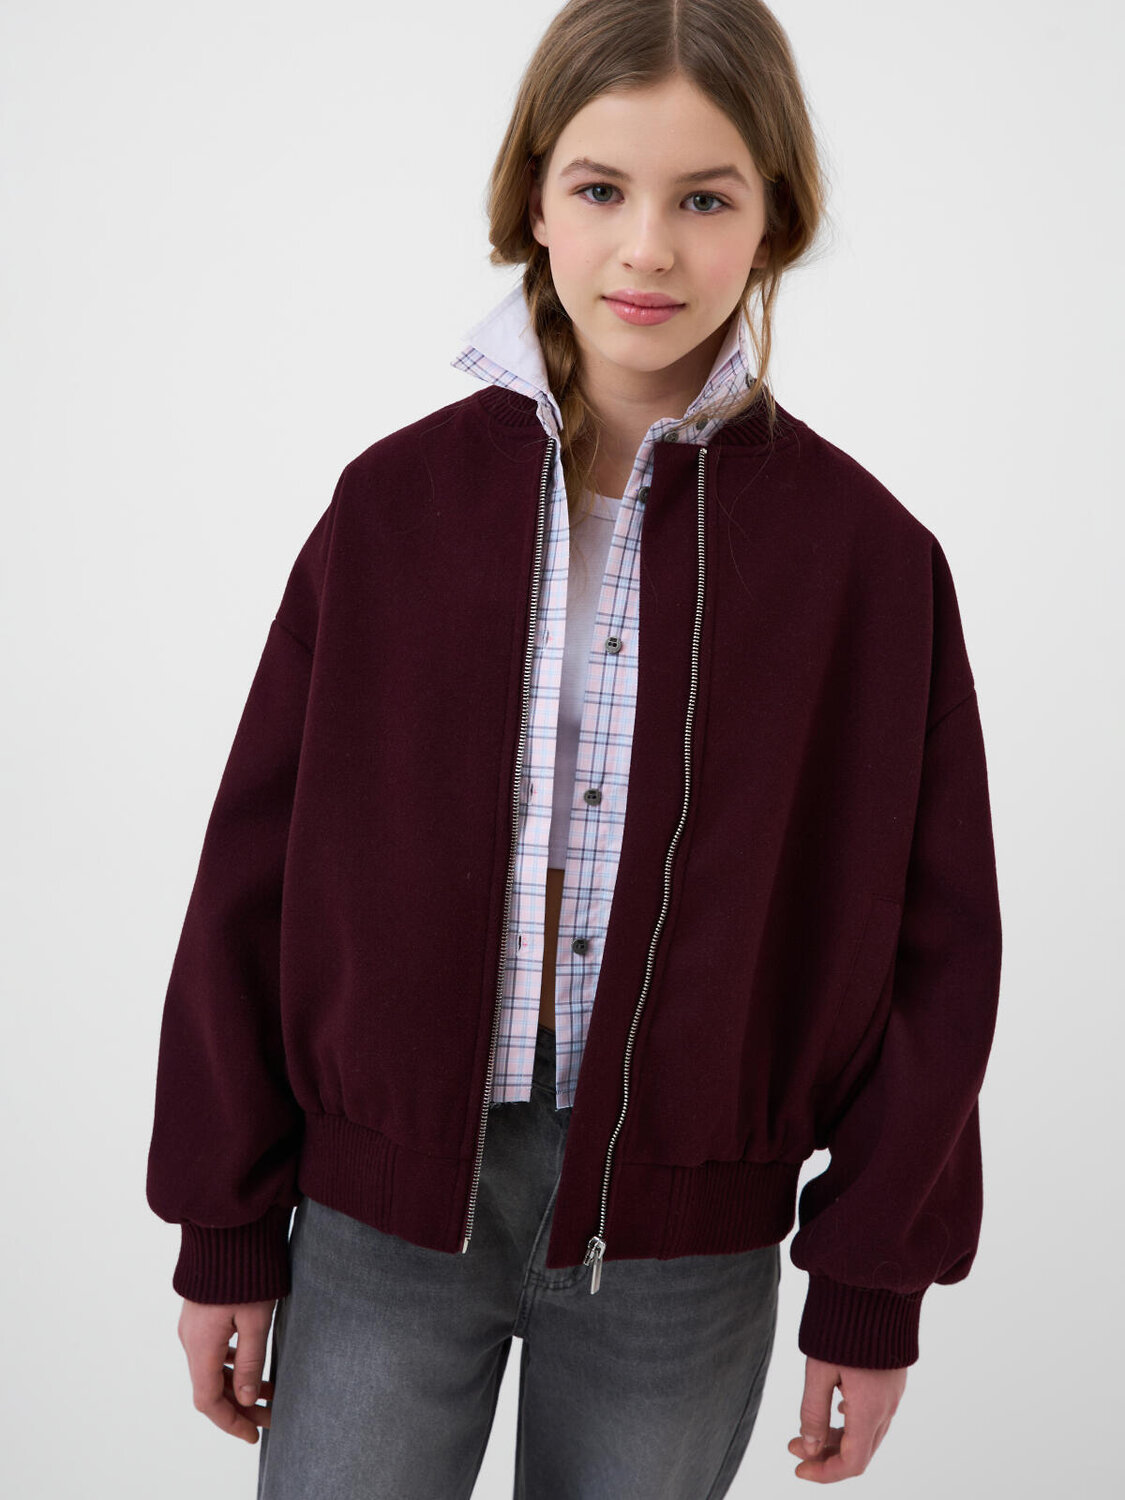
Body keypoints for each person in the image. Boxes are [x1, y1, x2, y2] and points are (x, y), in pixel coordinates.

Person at [145, 1, 1003, 1493]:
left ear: (775, 217)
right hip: (383, 1221)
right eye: (602, 189)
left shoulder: (867, 563)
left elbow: (937, 949)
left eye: (705, 199)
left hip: (683, 1254)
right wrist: (224, 1217)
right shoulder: (391, 511)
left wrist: (874, 1280)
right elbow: (255, 871)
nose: (646, 249)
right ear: (534, 198)